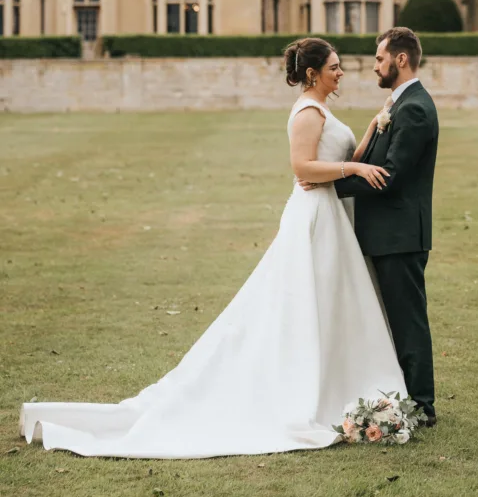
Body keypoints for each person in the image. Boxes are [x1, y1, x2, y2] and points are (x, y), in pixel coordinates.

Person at [19, 38, 407, 459]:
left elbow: (339, 157)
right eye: (334, 67)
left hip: (331, 214)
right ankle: (302, 385)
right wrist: (354, 166)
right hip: (313, 217)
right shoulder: (307, 112)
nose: (341, 72)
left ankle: (334, 379)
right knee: (302, 302)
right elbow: (303, 168)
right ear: (313, 74)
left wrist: (371, 130)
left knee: (330, 300)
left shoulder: (324, 110)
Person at [301, 27, 438, 425]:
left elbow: (388, 175)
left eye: (380, 58)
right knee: (392, 319)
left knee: (407, 320)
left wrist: (328, 182)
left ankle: (423, 405)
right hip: (385, 235)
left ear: (400, 60)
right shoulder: (398, 104)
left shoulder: (412, 107)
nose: (375, 65)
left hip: (399, 236)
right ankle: (402, 395)